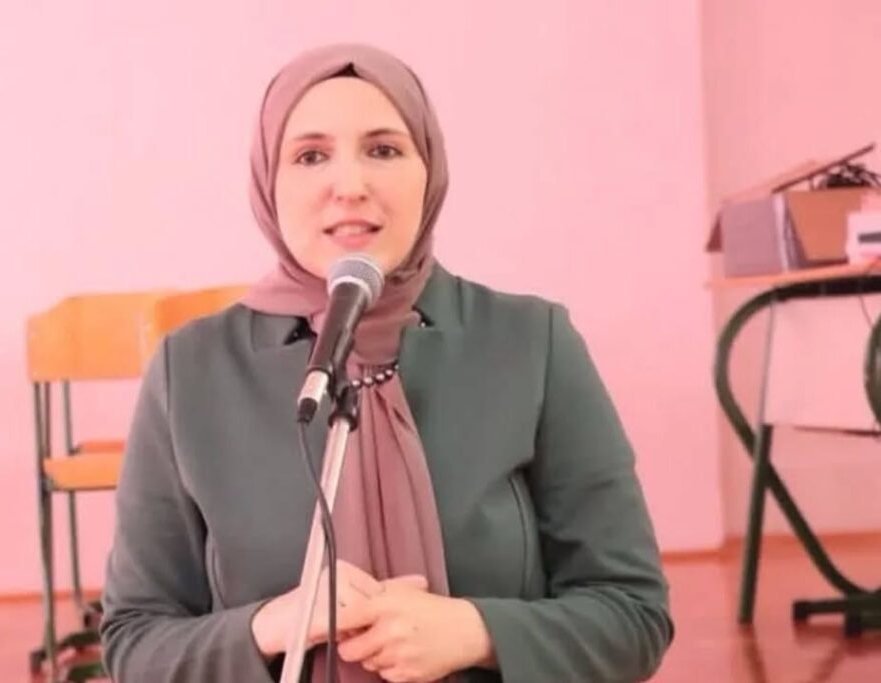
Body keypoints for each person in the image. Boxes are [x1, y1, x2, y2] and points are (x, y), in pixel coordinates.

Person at [100, 43, 673, 683]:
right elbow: (134, 642)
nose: (350, 186)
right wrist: (273, 626)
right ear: (268, 182)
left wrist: (479, 633)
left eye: (383, 150)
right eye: (310, 156)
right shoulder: (192, 371)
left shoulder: (532, 343)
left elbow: (634, 615)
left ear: (429, 170)